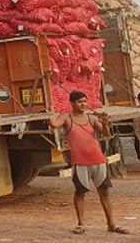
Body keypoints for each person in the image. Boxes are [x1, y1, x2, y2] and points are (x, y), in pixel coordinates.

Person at [48, 90, 130, 235]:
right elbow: (55, 124)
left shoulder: (92, 118)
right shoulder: (67, 118)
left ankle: (111, 224)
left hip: (98, 160)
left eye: (85, 101)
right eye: (80, 102)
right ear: (72, 104)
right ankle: (81, 223)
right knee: (80, 192)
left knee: (104, 193)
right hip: (80, 162)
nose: (83, 104)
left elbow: (107, 134)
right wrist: (48, 114)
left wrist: (105, 124)